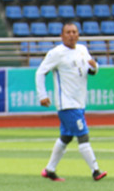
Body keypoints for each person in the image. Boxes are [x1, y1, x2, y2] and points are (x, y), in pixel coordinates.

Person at [35, 20, 107, 182]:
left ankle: (49, 170)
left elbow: (91, 70)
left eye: (74, 32)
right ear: (61, 35)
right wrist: (42, 95)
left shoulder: (82, 50)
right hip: (67, 104)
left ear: (78, 34)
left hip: (79, 102)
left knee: (66, 137)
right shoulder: (56, 53)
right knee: (83, 135)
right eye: (68, 32)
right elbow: (40, 72)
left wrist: (95, 67)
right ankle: (95, 171)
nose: (71, 35)